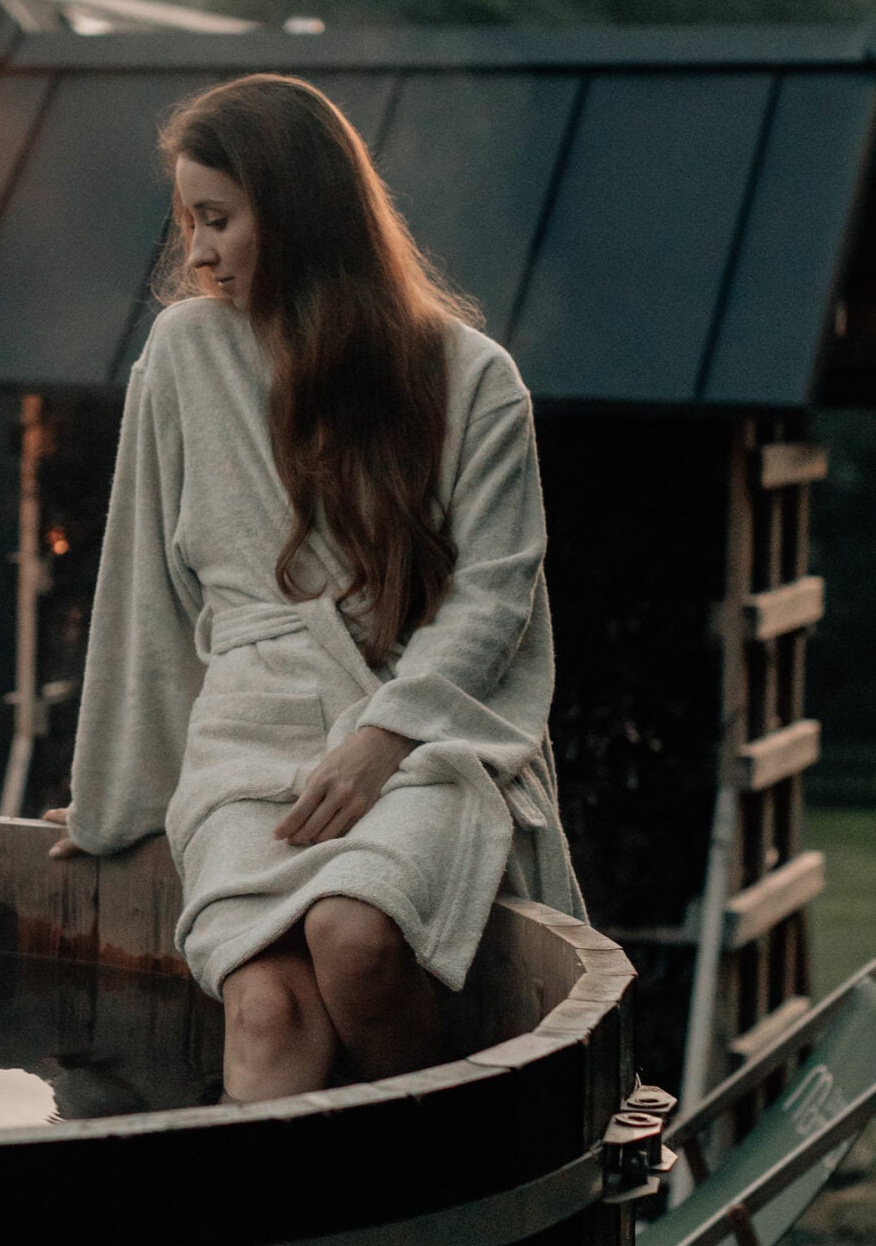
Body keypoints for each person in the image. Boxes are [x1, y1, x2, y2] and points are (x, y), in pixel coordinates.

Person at [48, 74, 583, 1101]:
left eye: (218, 219)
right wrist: (119, 799)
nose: (195, 253)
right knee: (264, 1007)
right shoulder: (182, 353)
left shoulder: (472, 379)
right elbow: (143, 592)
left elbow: (496, 595)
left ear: (297, 210)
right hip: (252, 729)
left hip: (419, 732)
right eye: (187, 221)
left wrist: (385, 735)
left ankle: (434, 1198)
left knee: (357, 940)